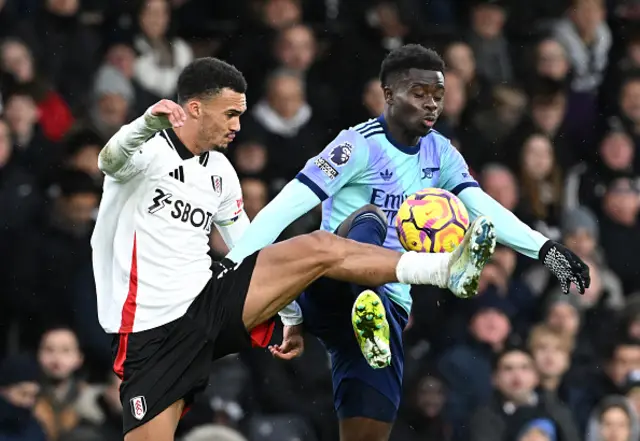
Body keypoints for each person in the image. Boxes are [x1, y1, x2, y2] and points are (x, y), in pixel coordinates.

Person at [90, 57, 498, 441]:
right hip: (151, 332)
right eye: (230, 114)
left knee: (321, 245)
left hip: (209, 302)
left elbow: (245, 246)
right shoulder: (144, 153)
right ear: (195, 108)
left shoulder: (220, 173)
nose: (237, 126)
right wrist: (145, 123)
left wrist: (289, 315)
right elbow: (110, 159)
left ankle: (443, 269)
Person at [226, 44, 591, 441]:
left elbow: (482, 207)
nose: (431, 104)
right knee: (371, 218)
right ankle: (382, 292)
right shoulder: (356, 145)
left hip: (388, 310)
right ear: (388, 94)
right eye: (419, 94)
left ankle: (374, 316)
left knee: (368, 433)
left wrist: (545, 248)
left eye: (438, 95)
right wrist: (234, 261)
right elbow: (287, 205)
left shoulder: (441, 152)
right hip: (329, 285)